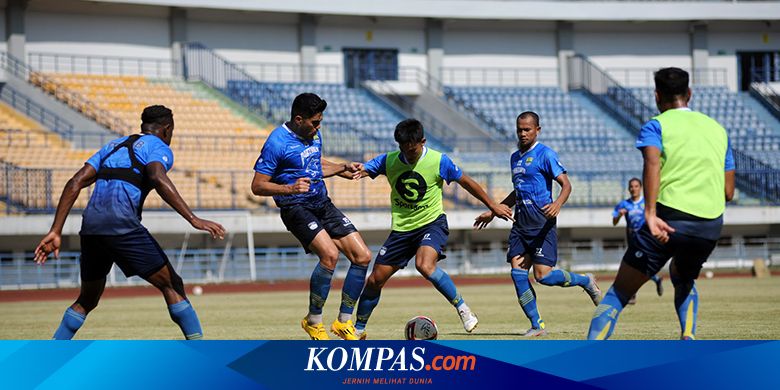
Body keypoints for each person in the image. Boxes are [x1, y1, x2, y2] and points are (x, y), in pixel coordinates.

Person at [34, 105, 226, 340]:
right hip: (122, 225)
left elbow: (75, 182)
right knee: (172, 284)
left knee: (88, 299)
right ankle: (201, 350)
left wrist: (56, 231)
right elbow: (156, 176)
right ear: (167, 129)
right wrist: (193, 218)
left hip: (92, 227)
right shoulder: (157, 146)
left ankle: (54, 349)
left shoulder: (111, 146)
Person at [587, 67, 735, 340]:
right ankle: (688, 337)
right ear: (689, 93)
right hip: (709, 227)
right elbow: (728, 192)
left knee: (619, 293)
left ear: (656, 95)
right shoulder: (718, 130)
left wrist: (650, 213)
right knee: (683, 277)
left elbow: (652, 162)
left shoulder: (656, 125)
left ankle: (584, 364)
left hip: (667, 220)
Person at [352, 118, 514, 339]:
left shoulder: (439, 161)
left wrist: (493, 205)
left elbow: (467, 182)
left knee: (424, 265)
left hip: (432, 223)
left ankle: (463, 308)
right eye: (404, 149)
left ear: (423, 141)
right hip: (402, 229)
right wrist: (348, 169)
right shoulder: (388, 161)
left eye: (413, 149)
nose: (409, 154)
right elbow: (361, 170)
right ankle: (358, 330)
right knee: (374, 280)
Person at [251, 93, 371, 340]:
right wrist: (289, 188)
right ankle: (314, 320)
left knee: (362, 256)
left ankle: (343, 323)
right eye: (315, 122)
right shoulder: (277, 142)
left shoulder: (314, 134)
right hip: (295, 207)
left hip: (321, 203)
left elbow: (314, 162)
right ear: (298, 119)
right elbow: (258, 185)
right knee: (329, 256)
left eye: (320, 122)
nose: (319, 127)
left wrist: (340, 168)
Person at [475, 111, 602, 337]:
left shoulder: (546, 154)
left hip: (542, 224)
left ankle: (585, 280)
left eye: (527, 130)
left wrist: (558, 204)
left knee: (543, 276)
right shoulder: (515, 158)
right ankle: (537, 325)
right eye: (519, 130)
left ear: (537, 130)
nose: (523, 134)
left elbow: (566, 184)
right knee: (517, 274)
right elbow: (518, 190)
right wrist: (494, 210)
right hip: (520, 224)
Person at [612, 177, 663, 303]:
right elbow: (614, 222)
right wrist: (619, 215)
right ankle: (655, 279)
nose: (633, 189)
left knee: (633, 264)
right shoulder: (624, 204)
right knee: (638, 265)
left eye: (636, 186)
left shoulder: (647, 203)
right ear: (628, 189)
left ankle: (632, 294)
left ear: (640, 188)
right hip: (632, 237)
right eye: (631, 186)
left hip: (645, 237)